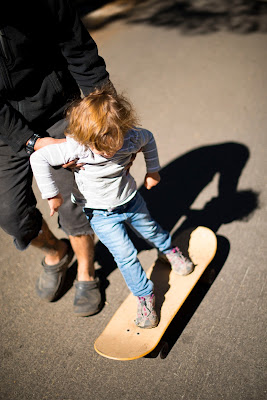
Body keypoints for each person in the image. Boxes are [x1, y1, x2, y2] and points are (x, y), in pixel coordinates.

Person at [30, 84, 194, 329]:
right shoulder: (77, 146)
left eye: (113, 144)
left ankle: (168, 250)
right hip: (100, 215)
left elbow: (148, 138)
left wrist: (153, 170)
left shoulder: (130, 136)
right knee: (125, 255)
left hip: (131, 201)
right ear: (85, 136)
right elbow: (38, 157)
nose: (106, 152)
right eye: (99, 147)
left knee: (150, 229)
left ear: (122, 129)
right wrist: (51, 194)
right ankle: (144, 296)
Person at [0, 0, 114, 316]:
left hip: (56, 108)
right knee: (9, 214)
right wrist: (30, 141)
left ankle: (87, 270)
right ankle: (57, 252)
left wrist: (103, 116)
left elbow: (80, 52)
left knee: (73, 201)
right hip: (3, 128)